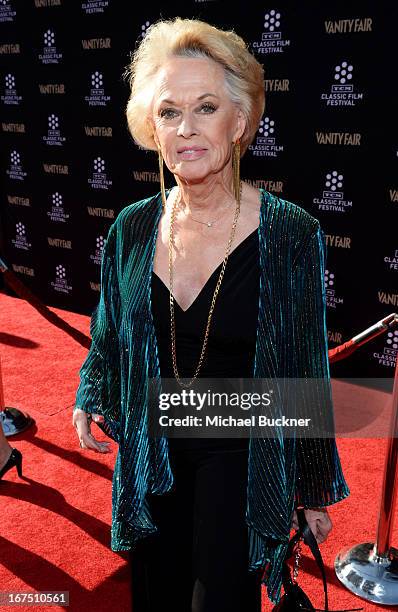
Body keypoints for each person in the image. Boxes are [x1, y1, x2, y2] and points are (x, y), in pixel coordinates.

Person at [72, 17, 350, 611]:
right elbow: (110, 327)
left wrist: (307, 488)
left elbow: (304, 367)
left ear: (241, 122)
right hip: (152, 443)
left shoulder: (290, 234)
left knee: (216, 600)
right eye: (169, 112)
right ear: (152, 127)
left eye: (205, 108)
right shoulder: (133, 227)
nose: (186, 129)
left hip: (240, 448)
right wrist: (91, 390)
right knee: (158, 594)